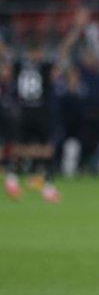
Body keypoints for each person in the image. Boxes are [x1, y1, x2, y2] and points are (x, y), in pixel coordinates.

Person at [4, 44, 60, 203]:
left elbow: (8, 69)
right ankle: (47, 187)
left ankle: (13, 179)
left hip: (22, 110)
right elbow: (56, 69)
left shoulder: (19, 65)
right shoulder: (44, 66)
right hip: (39, 111)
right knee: (46, 149)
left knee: (20, 147)